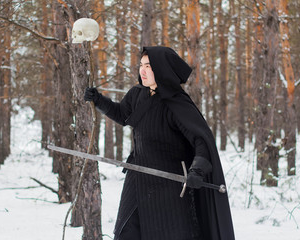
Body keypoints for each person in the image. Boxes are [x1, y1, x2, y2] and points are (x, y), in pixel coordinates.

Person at [84, 46, 235, 240]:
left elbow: (201, 141)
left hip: (169, 185)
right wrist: (98, 100)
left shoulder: (177, 103)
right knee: (127, 231)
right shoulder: (137, 94)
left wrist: (197, 170)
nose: (142, 70)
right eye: (141, 65)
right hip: (137, 178)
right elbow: (122, 114)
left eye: (148, 66)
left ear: (161, 68)